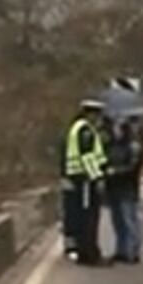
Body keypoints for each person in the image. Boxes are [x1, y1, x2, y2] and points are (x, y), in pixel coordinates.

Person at [61, 98, 109, 266]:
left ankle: (86, 252)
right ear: (90, 114)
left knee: (83, 216)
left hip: (79, 178)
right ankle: (90, 254)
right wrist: (97, 178)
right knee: (89, 218)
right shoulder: (85, 130)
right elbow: (88, 157)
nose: (98, 119)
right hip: (85, 180)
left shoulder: (77, 128)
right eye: (97, 115)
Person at [106, 114, 143, 263]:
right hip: (113, 188)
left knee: (129, 220)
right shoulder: (111, 146)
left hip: (128, 188)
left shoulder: (133, 147)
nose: (116, 131)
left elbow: (133, 167)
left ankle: (133, 251)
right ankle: (121, 250)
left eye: (119, 128)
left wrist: (116, 171)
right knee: (117, 221)